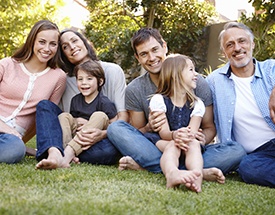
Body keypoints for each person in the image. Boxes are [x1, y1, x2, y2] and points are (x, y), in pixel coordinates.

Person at [107, 27, 245, 182]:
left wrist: (201, 139)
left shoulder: (196, 83)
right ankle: (197, 172)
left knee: (237, 150)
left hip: (191, 149)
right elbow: (139, 133)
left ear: (164, 46)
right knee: (115, 128)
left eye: (154, 49)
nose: (151, 58)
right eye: (144, 54)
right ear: (137, 58)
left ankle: (154, 168)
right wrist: (149, 127)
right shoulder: (135, 89)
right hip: (158, 147)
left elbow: (209, 128)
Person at [35, 29, 127, 170]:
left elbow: (123, 117)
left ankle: (65, 154)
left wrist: (102, 134)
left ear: (84, 42)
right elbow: (59, 119)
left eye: (74, 40)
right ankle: (58, 153)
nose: (71, 47)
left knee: (109, 150)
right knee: (44, 105)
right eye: (65, 46)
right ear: (63, 54)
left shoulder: (112, 70)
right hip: (74, 135)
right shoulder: (63, 79)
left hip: (101, 138)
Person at [206, 21, 275, 188]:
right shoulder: (213, 82)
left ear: (252, 44)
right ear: (224, 52)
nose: (237, 48)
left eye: (242, 41)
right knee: (247, 168)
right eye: (230, 45)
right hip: (257, 156)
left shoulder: (271, 68)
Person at [0, 20, 66, 164]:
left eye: (53, 44)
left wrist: (21, 143)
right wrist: (5, 127)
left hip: (10, 140)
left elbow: (45, 119)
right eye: (42, 42)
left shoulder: (58, 76)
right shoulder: (7, 64)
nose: (47, 48)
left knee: (14, 150)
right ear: (32, 41)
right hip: (7, 130)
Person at [150, 54, 206, 192]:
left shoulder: (197, 104)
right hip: (165, 140)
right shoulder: (159, 100)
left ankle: (196, 176)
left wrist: (186, 137)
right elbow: (163, 133)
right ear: (176, 75)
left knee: (194, 144)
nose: (196, 74)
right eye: (191, 70)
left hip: (186, 143)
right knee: (172, 146)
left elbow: (192, 133)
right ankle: (172, 174)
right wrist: (175, 135)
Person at [59, 60, 117, 166]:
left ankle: (69, 153)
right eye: (80, 79)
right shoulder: (75, 100)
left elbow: (115, 126)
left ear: (100, 82)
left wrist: (90, 124)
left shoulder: (104, 102)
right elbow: (72, 123)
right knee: (64, 116)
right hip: (77, 136)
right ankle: (67, 149)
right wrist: (77, 120)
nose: (84, 82)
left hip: (94, 138)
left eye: (89, 79)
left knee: (99, 115)